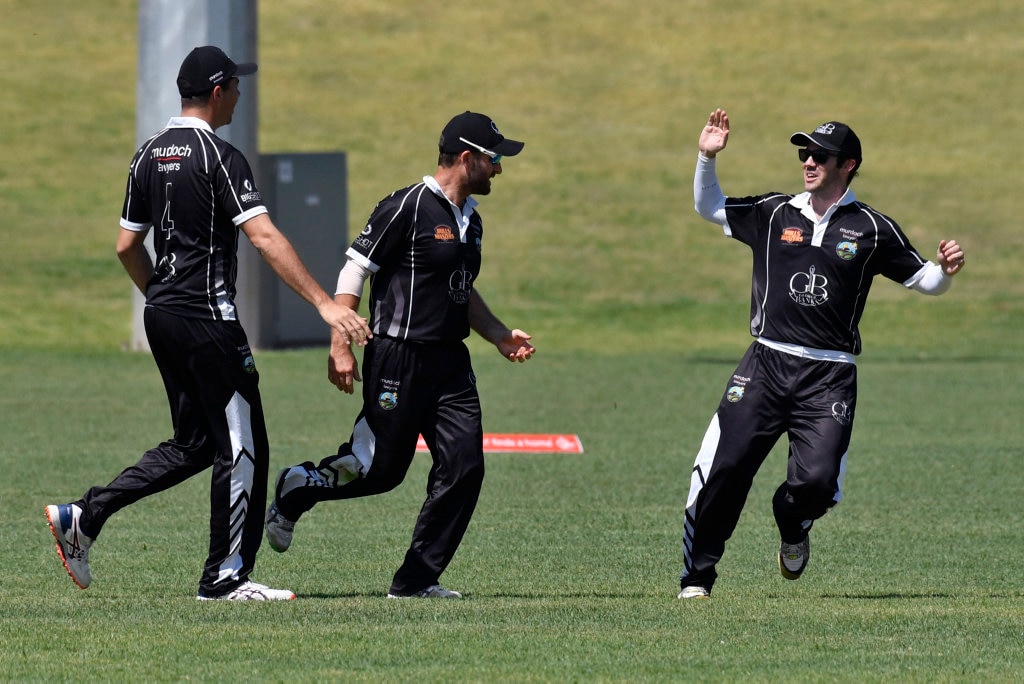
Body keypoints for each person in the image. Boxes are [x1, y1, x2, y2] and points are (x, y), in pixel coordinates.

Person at [44, 46, 372, 601]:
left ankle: (85, 515)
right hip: (207, 319)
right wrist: (324, 304)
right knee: (243, 445)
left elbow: (127, 245)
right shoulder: (221, 156)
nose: (241, 95)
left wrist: (163, 297)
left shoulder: (146, 154)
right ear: (217, 92)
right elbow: (264, 237)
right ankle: (225, 578)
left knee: (195, 443)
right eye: (236, 87)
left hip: (163, 314)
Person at [677, 109, 965, 599]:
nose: (808, 161)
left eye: (820, 155)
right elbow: (709, 207)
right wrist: (707, 156)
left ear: (847, 164)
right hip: (764, 364)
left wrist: (947, 268)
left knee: (817, 483)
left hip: (828, 376)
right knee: (724, 471)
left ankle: (793, 527)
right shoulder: (773, 213)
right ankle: (697, 579)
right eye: (803, 152)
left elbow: (926, 282)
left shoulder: (872, 227)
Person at [264, 111, 535, 599]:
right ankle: (298, 487)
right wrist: (339, 342)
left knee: (465, 466)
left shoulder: (472, 221)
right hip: (397, 358)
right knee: (380, 471)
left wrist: (497, 334)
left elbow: (462, 289)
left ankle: (416, 580)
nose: (499, 169)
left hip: (451, 364)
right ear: (467, 157)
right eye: (494, 159)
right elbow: (354, 270)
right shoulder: (407, 205)